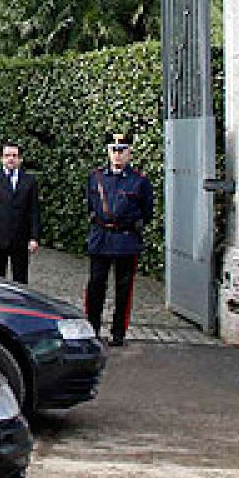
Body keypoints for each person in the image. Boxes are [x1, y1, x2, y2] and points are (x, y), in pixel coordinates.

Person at [84, 130, 153, 346]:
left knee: (123, 289)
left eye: (122, 151)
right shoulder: (96, 177)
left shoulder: (139, 181)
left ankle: (118, 332)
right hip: (101, 237)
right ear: (108, 152)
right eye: (114, 151)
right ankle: (92, 328)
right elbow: (90, 205)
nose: (117, 155)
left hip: (125, 239)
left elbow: (147, 211)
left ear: (129, 153)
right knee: (96, 285)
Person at [0, 143, 40, 284]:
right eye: (7, 156)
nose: (11, 159)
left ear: (20, 159)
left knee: (20, 281)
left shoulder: (30, 180)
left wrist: (34, 237)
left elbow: (34, 210)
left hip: (21, 240)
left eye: (14, 156)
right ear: (1, 159)